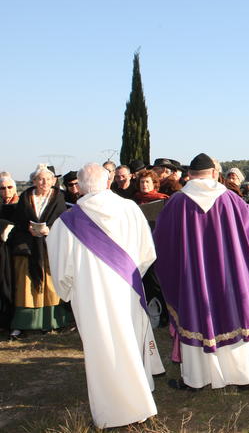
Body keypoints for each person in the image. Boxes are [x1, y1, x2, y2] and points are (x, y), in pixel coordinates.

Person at [46, 163, 164, 428]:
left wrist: (69, 291)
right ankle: (142, 396)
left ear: (79, 188)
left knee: (104, 349)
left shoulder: (66, 223)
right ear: (108, 182)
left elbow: (60, 270)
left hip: (91, 298)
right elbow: (148, 252)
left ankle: (115, 411)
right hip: (127, 288)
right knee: (130, 340)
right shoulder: (130, 209)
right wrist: (133, 275)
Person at [154, 153, 249, 390]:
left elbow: (161, 240)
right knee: (234, 313)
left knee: (195, 313)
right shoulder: (229, 199)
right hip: (228, 278)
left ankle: (197, 378)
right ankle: (244, 377)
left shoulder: (176, 202)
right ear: (214, 174)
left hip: (192, 279)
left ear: (190, 175)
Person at [9, 164, 71, 339]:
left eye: (48, 179)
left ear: (53, 181)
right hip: (28, 248)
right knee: (26, 285)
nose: (44, 182)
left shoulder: (58, 197)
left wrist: (49, 229)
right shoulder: (26, 197)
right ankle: (26, 322)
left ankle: (52, 321)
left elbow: (63, 220)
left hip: (50, 246)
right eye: (40, 179)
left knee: (51, 284)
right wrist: (28, 228)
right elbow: (18, 220)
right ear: (34, 181)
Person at [1, 174, 19, 330]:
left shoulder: (21, 205)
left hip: (16, 251)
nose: (6, 191)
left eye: (9, 187)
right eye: (2, 188)